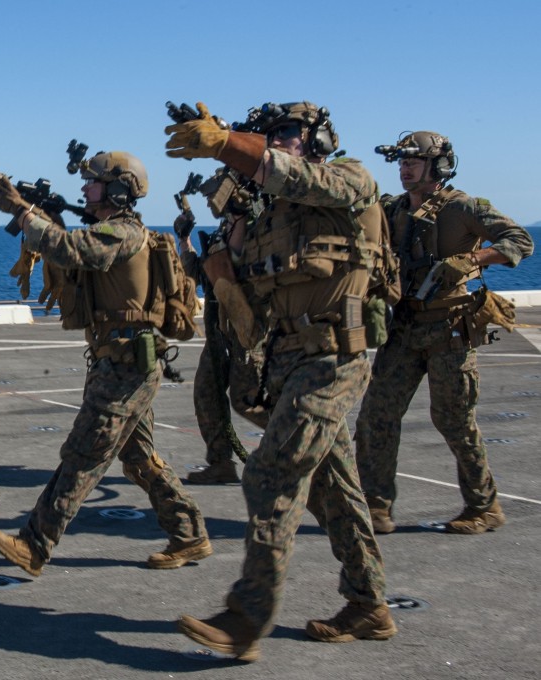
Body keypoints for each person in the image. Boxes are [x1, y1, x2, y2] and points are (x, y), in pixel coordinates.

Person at [164, 101, 399, 660]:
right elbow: (240, 276)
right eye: (270, 136)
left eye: (287, 133)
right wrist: (219, 251)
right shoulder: (273, 218)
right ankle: (369, 606)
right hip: (289, 359)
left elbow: (291, 172)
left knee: (270, 476)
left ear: (317, 138)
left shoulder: (349, 178)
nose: (278, 142)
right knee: (334, 489)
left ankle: (247, 617)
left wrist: (229, 144)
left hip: (336, 355)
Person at [0, 150, 213, 576]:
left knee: (85, 453)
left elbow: (71, 251)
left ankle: (35, 544)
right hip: (119, 362)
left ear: (118, 189)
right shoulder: (110, 231)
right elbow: (71, 249)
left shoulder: (123, 233)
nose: (84, 188)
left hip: (126, 367)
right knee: (138, 457)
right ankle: (189, 533)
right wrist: (36, 213)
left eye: (93, 182)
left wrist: (20, 208)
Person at [355, 131, 534, 535]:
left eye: (413, 163)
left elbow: (519, 241)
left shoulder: (463, 208)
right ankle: (375, 506)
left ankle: (483, 507)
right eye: (401, 163)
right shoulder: (392, 209)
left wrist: (471, 259)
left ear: (438, 167)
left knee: (454, 419)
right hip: (402, 328)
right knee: (376, 417)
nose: (405, 170)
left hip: (448, 329)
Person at [175, 182, 269, 485]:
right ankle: (220, 462)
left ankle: (299, 445)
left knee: (248, 401)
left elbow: (239, 261)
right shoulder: (222, 232)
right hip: (220, 334)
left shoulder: (258, 228)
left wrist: (239, 218)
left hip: (247, 335)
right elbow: (196, 274)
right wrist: (184, 238)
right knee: (206, 394)